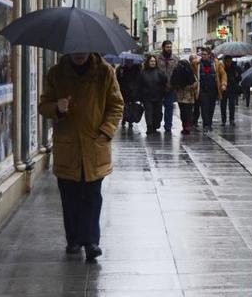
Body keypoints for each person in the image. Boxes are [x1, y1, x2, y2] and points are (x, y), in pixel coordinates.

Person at [38, 53, 123, 262]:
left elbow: (116, 105)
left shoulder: (105, 72)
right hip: (68, 147)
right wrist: (57, 108)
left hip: (95, 146)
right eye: (75, 49)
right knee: (70, 197)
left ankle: (91, 242)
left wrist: (106, 132)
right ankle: (73, 239)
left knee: (92, 197)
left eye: (83, 49)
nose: (79, 53)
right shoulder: (56, 74)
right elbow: (43, 105)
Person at [198, 46, 226, 132]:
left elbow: (223, 74)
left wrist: (223, 84)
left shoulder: (216, 63)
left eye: (205, 54)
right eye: (202, 54)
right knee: (204, 107)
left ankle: (209, 123)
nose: (203, 56)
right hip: (202, 89)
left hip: (213, 89)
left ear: (209, 55)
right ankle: (206, 124)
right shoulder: (198, 64)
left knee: (211, 107)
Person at [137, 55, 167, 134]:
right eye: (151, 61)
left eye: (154, 61)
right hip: (147, 97)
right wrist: (139, 97)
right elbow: (139, 85)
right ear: (148, 62)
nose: (153, 63)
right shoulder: (143, 72)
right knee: (149, 112)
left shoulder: (159, 72)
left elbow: (164, 82)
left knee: (158, 113)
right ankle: (149, 127)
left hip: (158, 96)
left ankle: (156, 125)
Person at [173, 55, 200, 135]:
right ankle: (187, 125)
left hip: (181, 96)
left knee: (183, 111)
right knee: (188, 111)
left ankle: (185, 125)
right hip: (188, 96)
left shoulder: (177, 71)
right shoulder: (190, 71)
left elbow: (174, 83)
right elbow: (195, 83)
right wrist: (190, 87)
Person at [156, 41, 179, 134]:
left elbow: (178, 73)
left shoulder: (176, 59)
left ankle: (168, 125)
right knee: (157, 107)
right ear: (163, 48)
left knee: (169, 107)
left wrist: (174, 84)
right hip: (158, 87)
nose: (169, 49)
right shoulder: (157, 58)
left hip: (171, 87)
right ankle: (156, 122)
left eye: (170, 47)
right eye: (167, 47)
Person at [115, 58, 140, 127]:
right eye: (128, 62)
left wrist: (135, 87)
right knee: (124, 105)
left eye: (130, 61)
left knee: (132, 106)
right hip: (124, 90)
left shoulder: (136, 68)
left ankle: (130, 120)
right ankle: (124, 118)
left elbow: (138, 79)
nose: (129, 63)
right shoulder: (121, 69)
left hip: (133, 90)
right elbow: (118, 79)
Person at [221, 56, 241, 126]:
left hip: (232, 89)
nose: (228, 62)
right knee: (223, 105)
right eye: (227, 61)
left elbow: (239, 78)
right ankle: (223, 120)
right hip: (224, 89)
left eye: (229, 61)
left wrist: (237, 76)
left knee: (232, 105)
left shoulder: (236, 68)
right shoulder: (222, 67)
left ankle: (231, 119)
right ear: (225, 61)